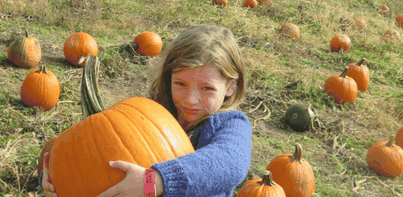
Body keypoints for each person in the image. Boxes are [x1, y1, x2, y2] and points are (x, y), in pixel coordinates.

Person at [40, 25, 252, 197]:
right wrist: (53, 177)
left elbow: (230, 161)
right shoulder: (152, 112)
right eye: (180, 84)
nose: (190, 100)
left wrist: (155, 181)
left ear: (231, 86)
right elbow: (96, 153)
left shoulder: (231, 124)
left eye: (207, 88)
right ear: (168, 77)